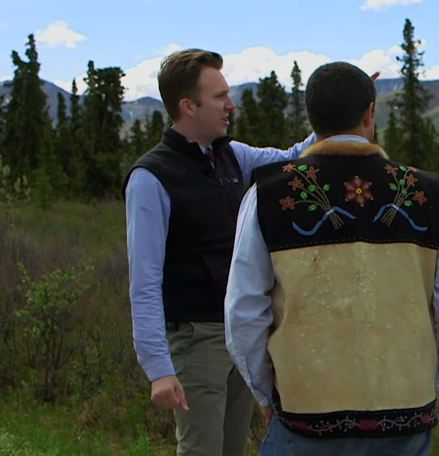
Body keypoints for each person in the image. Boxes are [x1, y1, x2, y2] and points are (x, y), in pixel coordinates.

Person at [123, 49, 372, 456]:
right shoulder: (150, 179)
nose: (230, 104)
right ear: (188, 106)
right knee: (201, 450)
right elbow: (144, 282)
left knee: (232, 449)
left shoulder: (229, 156)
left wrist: (339, 121)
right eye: (219, 96)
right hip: (194, 340)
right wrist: (159, 370)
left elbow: (290, 159)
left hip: (237, 337)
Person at [224, 60, 439, 456]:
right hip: (404, 415)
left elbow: (243, 312)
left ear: (310, 115)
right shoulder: (426, 195)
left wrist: (265, 395)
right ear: (369, 112)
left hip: (304, 414)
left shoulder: (268, 195)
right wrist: (435, 385)